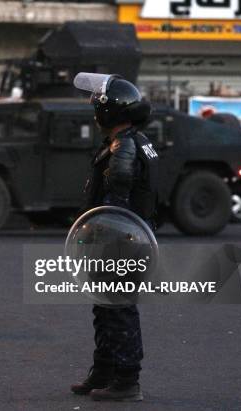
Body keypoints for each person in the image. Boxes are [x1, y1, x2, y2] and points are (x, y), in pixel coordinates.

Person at [71, 73, 159, 402]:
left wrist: (101, 239)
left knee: (118, 308)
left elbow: (116, 204)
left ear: (111, 112)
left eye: (97, 105)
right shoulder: (132, 140)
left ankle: (126, 380)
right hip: (123, 240)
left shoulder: (124, 146)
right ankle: (104, 371)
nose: (93, 110)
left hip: (119, 243)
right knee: (105, 308)